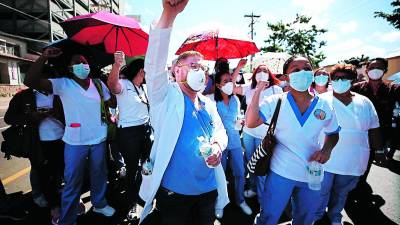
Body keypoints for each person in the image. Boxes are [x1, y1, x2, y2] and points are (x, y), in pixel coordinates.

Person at [138, 1, 229, 224]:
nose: (201, 71)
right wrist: (169, 15)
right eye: (193, 66)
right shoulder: (164, 96)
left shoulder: (207, 104)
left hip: (207, 189)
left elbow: (220, 131)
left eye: (203, 67)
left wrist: (217, 146)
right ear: (177, 71)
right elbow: (154, 64)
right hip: (174, 192)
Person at [24, 48, 116, 225]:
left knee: (99, 174)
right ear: (70, 68)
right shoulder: (63, 84)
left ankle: (99, 203)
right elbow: (30, 81)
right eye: (77, 62)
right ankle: (67, 219)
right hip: (75, 142)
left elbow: (111, 101)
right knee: (73, 181)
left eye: (84, 62)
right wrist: (43, 57)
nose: (82, 65)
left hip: (98, 138)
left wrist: (113, 83)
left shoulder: (97, 83)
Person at [246, 55, 340, 225]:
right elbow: (251, 123)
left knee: (305, 219)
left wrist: (327, 149)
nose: (302, 73)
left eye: (306, 68)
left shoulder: (324, 105)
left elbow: (333, 133)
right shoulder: (276, 101)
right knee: (268, 218)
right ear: (286, 77)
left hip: (311, 174)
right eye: (296, 70)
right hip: (280, 173)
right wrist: (258, 90)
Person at [315, 64, 383, 225]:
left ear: (352, 80)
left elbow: (374, 128)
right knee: (320, 191)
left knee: (341, 192)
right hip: (326, 156)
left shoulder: (364, 102)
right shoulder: (321, 99)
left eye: (343, 78)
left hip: (353, 158)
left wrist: (379, 151)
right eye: (335, 78)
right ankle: (317, 216)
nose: (339, 81)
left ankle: (335, 215)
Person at [4, 80, 65, 224]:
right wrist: (31, 117)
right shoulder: (23, 97)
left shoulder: (60, 94)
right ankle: (54, 208)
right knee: (44, 175)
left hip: (65, 140)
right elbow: (9, 118)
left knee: (66, 171)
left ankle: (70, 199)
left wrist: (58, 115)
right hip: (38, 143)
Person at [107, 53, 152, 221]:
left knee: (146, 165)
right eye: (146, 72)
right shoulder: (124, 85)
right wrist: (117, 65)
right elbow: (112, 86)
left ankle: (141, 194)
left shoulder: (144, 87)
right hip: (128, 133)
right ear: (141, 71)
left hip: (145, 130)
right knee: (133, 169)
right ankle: (131, 203)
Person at [232, 64, 283, 203]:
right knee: (250, 161)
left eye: (265, 70)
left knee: (262, 164)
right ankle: (254, 188)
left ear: (270, 74)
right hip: (248, 132)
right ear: (254, 74)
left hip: (265, 134)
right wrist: (238, 68)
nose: (262, 72)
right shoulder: (249, 88)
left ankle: (263, 196)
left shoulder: (276, 89)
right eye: (259, 70)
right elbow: (231, 87)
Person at [214, 71, 252, 217]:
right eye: (226, 81)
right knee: (220, 174)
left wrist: (240, 122)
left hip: (235, 141)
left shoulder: (236, 99)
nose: (230, 83)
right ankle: (220, 201)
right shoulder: (213, 101)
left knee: (240, 173)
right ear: (218, 85)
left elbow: (237, 118)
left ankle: (240, 200)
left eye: (231, 80)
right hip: (220, 143)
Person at [352, 58, 400, 174]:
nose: (375, 70)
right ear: (367, 70)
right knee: (357, 163)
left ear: (385, 70)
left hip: (381, 134)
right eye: (372, 68)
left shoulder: (393, 89)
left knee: (368, 164)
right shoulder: (356, 88)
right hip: (360, 133)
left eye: (379, 68)